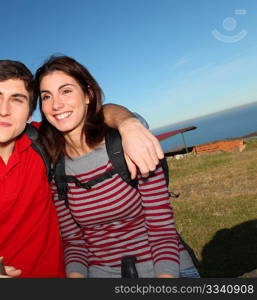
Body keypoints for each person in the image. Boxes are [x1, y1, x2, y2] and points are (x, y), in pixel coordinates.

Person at [0, 59, 165, 278]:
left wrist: (128, 123)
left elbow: (87, 113)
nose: (3, 110)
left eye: (17, 100)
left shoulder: (41, 142)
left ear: (29, 113)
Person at [34, 55, 199, 278]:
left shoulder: (128, 146)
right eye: (46, 96)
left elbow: (162, 231)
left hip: (164, 269)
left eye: (66, 91)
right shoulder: (56, 168)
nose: (56, 104)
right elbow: (74, 243)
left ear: (88, 95)